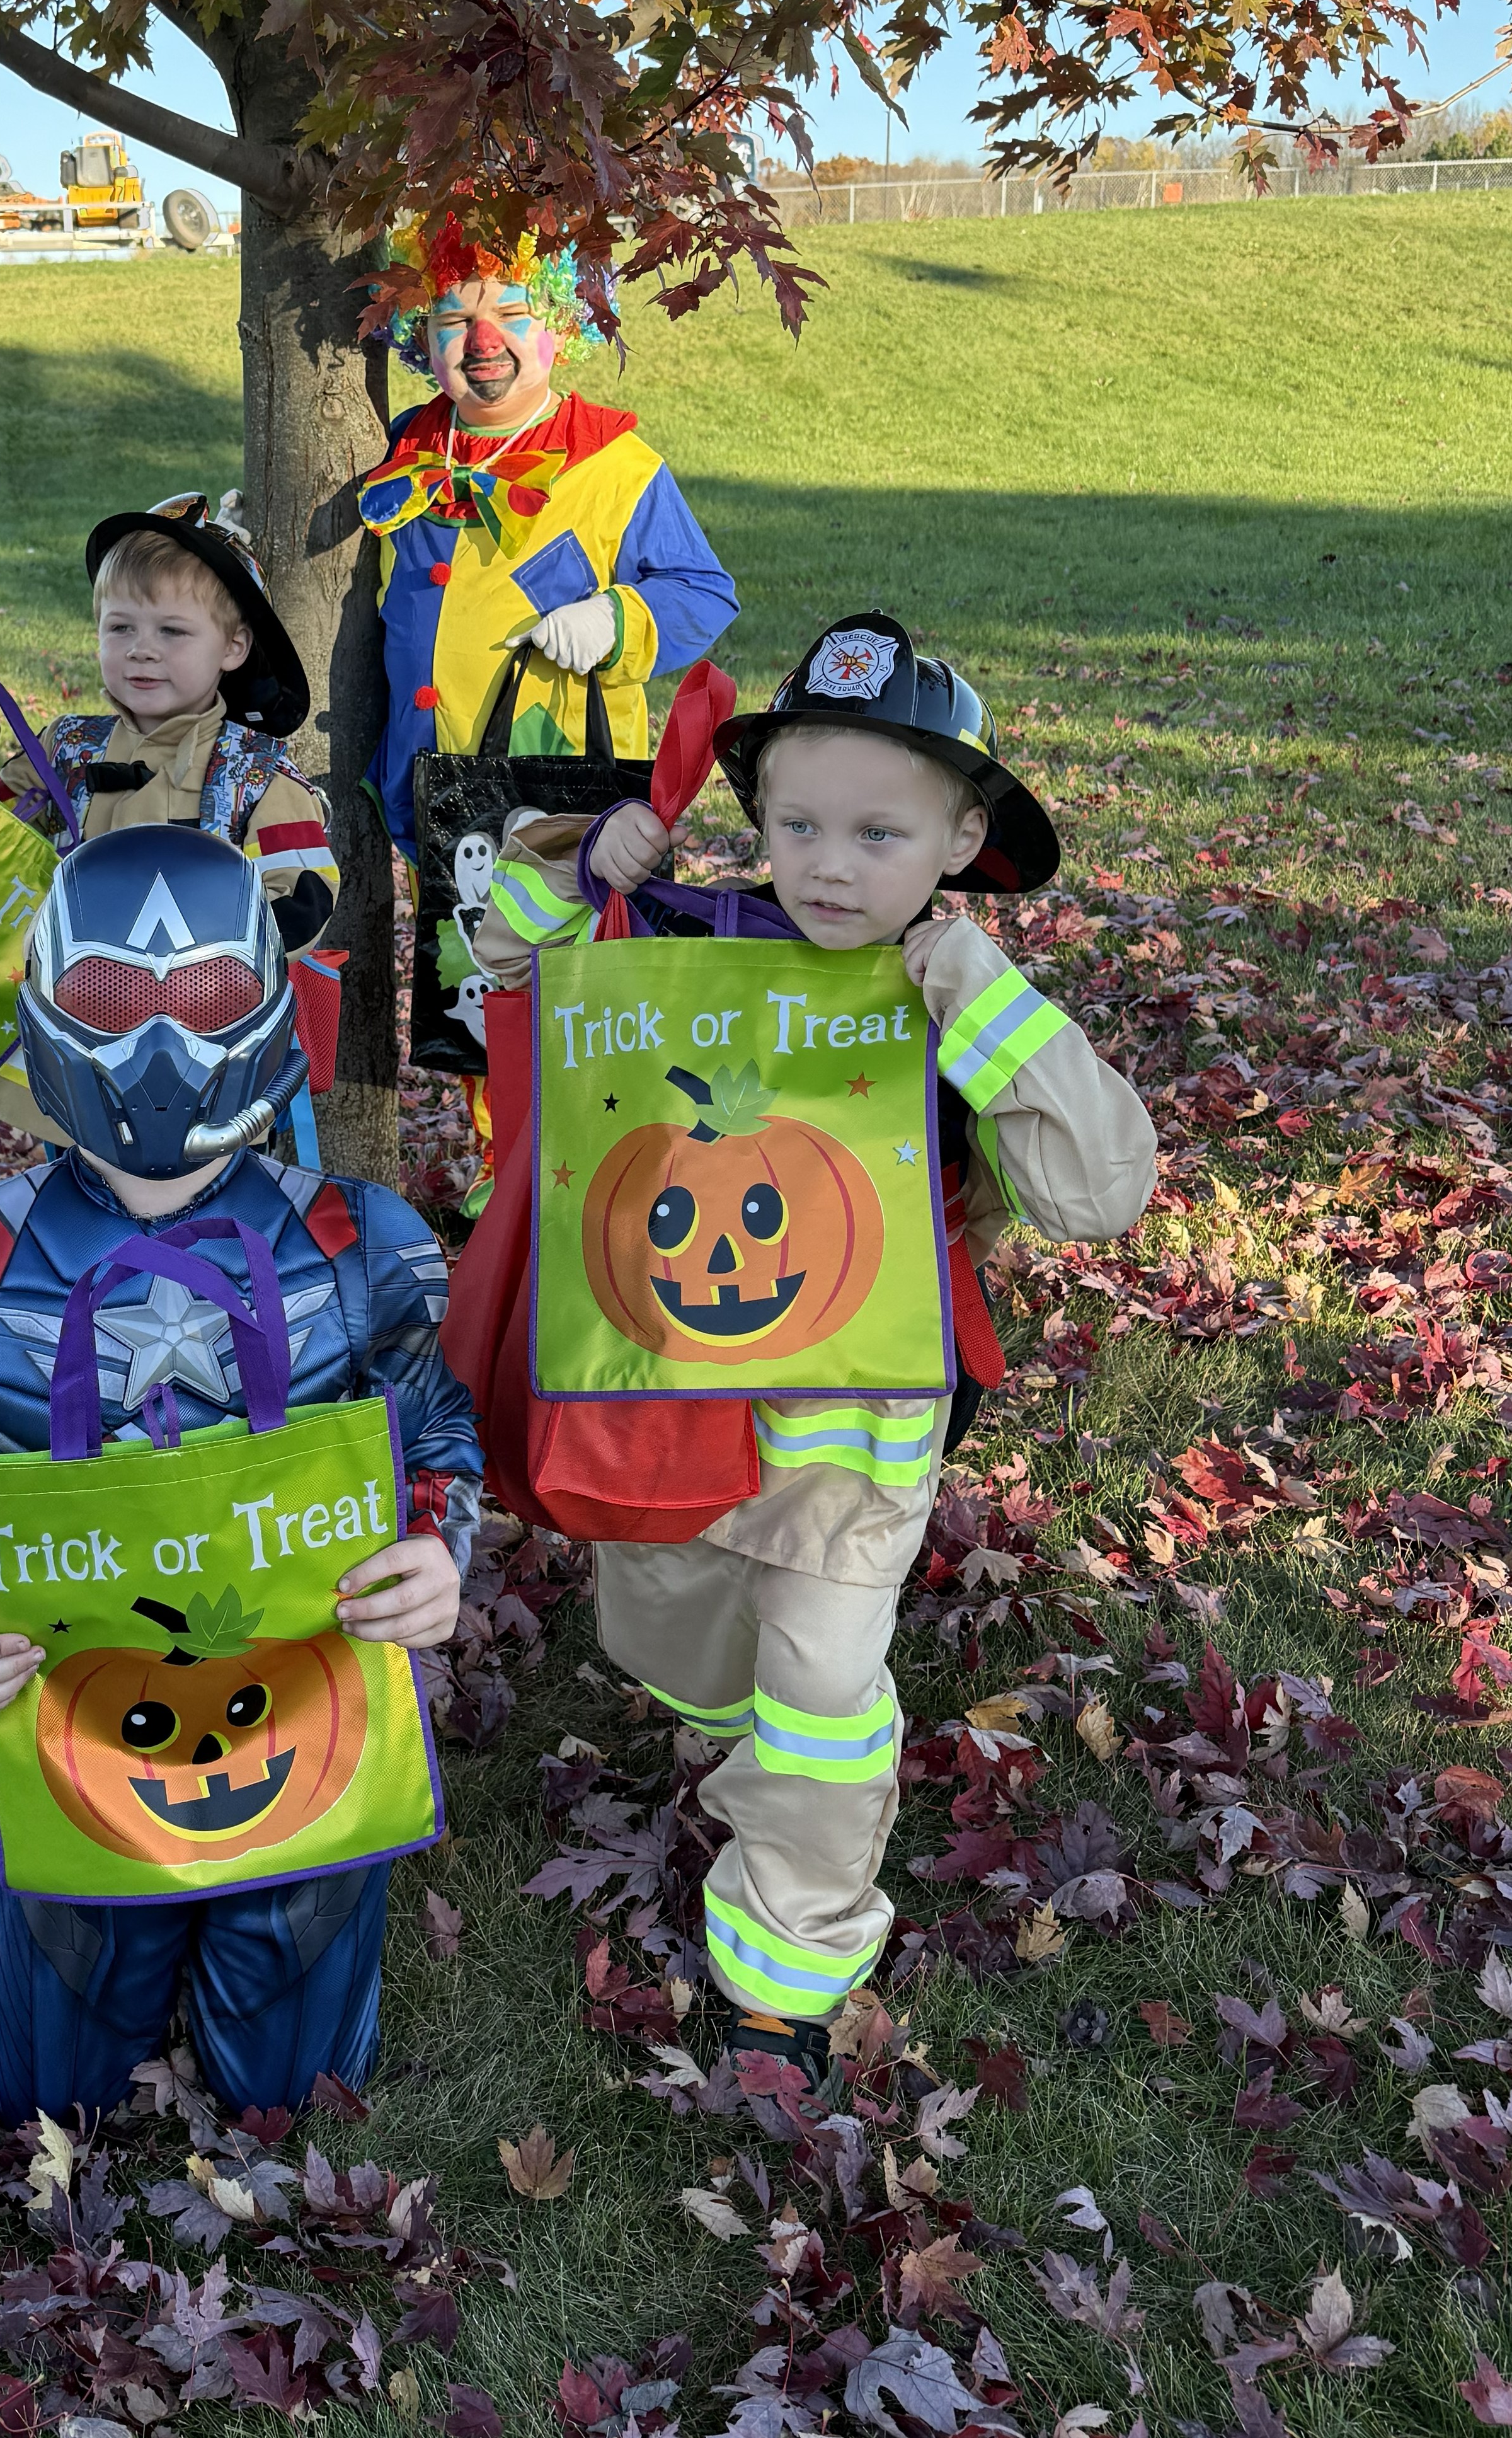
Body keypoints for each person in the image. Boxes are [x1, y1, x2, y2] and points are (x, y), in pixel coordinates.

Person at [472, 611, 1155, 2076]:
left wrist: (976, 1000)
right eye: (798, 823)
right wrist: (576, 881)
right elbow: (508, 984)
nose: (833, 865)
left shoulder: (956, 995)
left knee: (825, 1695)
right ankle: (726, 1730)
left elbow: (1101, 1191)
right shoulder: (688, 945)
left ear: (963, 836)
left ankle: (787, 1951)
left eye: (878, 832)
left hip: (857, 1430)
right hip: (668, 1406)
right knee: (671, 1625)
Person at [0, 825, 480, 2122]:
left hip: (307, 1717)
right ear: (55, 1003)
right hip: (73, 1729)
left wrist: (440, 1551)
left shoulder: (363, 1247)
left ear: (270, 1000)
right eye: (119, 997)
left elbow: (435, 1441)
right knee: (43, 2094)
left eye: (210, 997)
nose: (165, 1042)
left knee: (295, 2095)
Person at [0, 488, 343, 1113]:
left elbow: (306, 895)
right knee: (78, 1201)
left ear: (233, 647)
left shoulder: (254, 776)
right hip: (71, 1052)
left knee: (197, 1206)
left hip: (207, 1063)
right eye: (121, 628)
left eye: (172, 630)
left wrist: (210, 967)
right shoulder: (66, 753)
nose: (142, 649)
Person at [358, 217, 738, 848]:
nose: (483, 340)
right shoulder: (403, 449)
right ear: (418, 336)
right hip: (425, 785)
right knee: (451, 943)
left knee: (560, 944)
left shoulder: (615, 464)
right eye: (452, 322)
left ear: (562, 325)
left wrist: (615, 623)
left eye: (513, 315)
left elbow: (704, 592)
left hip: (560, 796)